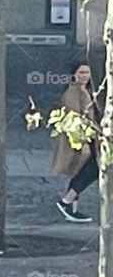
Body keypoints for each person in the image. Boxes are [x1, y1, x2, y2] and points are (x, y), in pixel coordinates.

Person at [53, 61, 100, 223]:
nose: (85, 76)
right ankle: (66, 201)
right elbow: (75, 116)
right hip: (82, 138)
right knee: (93, 169)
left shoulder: (83, 90)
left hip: (90, 137)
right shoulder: (74, 91)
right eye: (81, 73)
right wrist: (84, 140)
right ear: (74, 75)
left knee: (86, 170)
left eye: (87, 72)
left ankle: (71, 207)